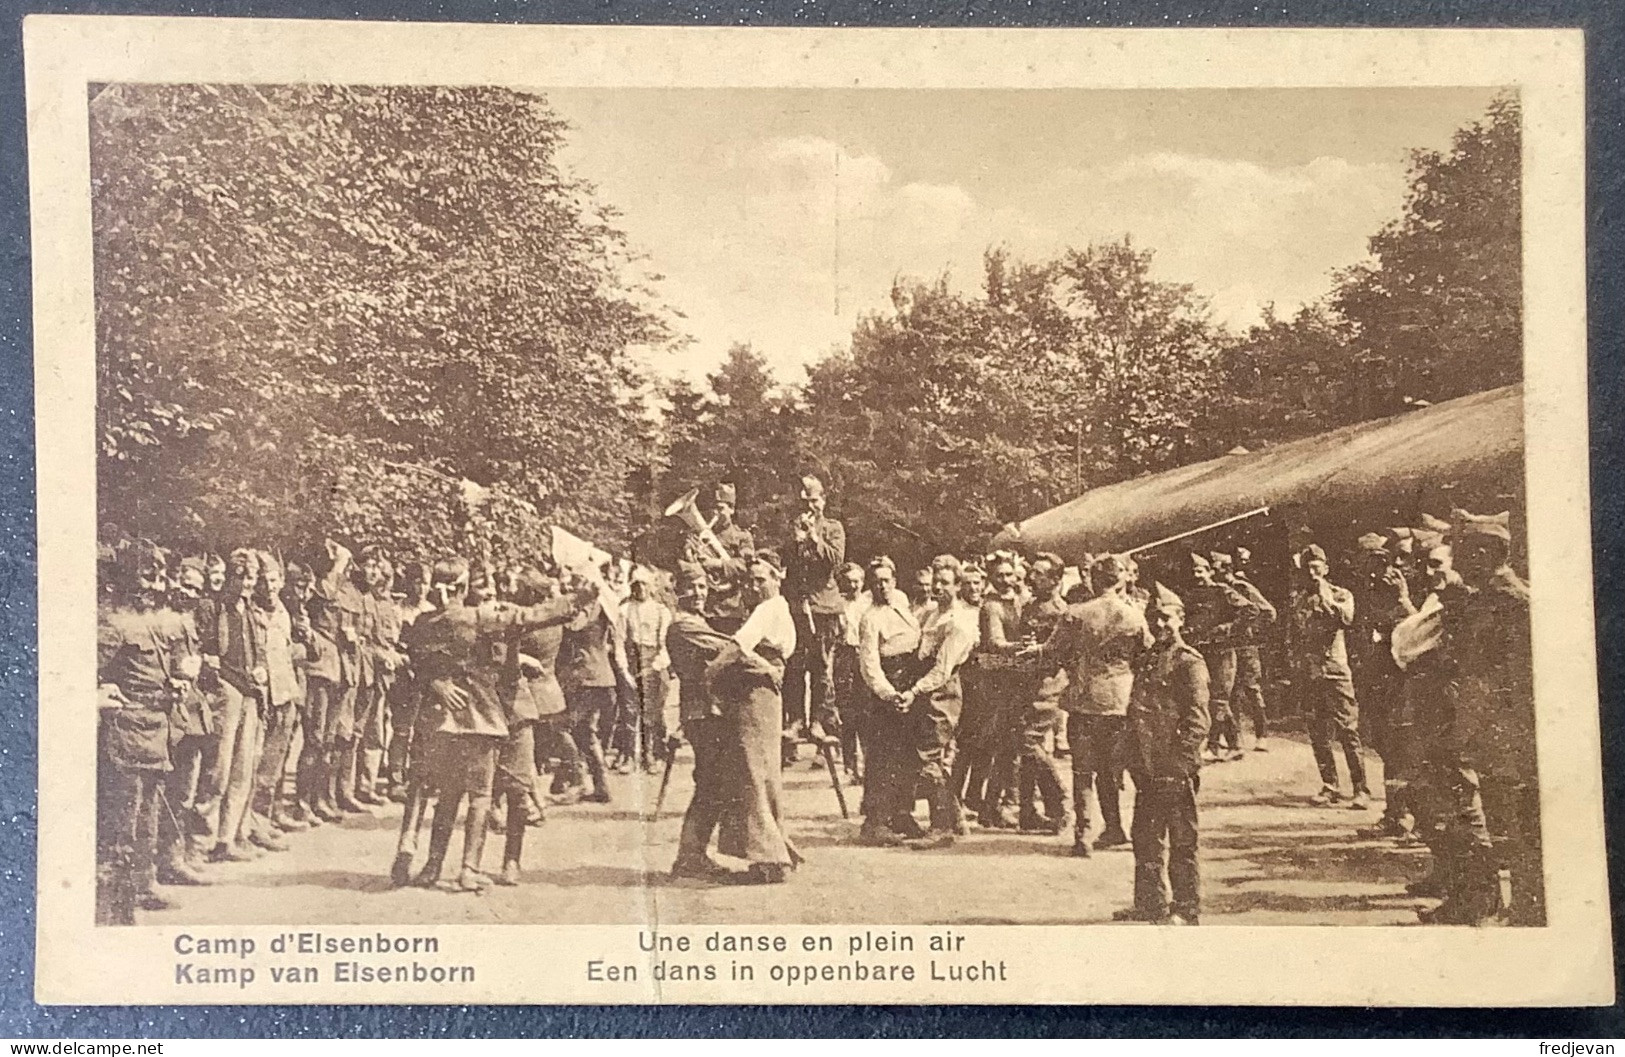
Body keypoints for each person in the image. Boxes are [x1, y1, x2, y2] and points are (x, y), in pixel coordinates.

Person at [400, 557, 594, 891]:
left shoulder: (462, 615)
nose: (490, 589)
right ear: (465, 588)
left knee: (516, 790)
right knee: (470, 793)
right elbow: (531, 617)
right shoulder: (484, 618)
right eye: (481, 583)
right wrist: (578, 599)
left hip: (513, 710)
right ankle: (456, 866)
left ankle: (510, 860)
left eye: (495, 582)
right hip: (481, 713)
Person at [97, 541, 201, 921]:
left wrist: (177, 683)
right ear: (125, 577)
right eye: (147, 575)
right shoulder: (112, 624)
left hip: (156, 734)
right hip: (125, 738)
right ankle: (118, 909)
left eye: (160, 576)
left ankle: (145, 884)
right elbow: (84, 678)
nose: (156, 586)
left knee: (149, 816)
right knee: (122, 824)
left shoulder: (156, 624)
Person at [1024, 553, 1151, 856]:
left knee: (1083, 770)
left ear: (1093, 579)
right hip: (1120, 699)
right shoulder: (1133, 614)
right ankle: (1115, 828)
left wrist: (1036, 651)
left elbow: (1051, 652)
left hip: (1084, 698)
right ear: (1119, 579)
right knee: (1110, 769)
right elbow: (1147, 652)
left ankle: (1083, 834)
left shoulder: (1076, 613)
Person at [1114, 583, 1211, 925]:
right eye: (1154, 618)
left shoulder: (1189, 662)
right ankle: (1150, 904)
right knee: (1145, 836)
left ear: (1181, 619)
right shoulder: (1148, 658)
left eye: (1166, 618)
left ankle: (1186, 908)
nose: (1159, 624)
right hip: (1147, 764)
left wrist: (1179, 764)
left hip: (1173, 767)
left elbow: (1198, 720)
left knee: (1182, 840)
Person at [707, 552, 803, 883]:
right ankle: (773, 853)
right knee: (761, 769)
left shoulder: (768, 608)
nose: (755, 585)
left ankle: (769, 860)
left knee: (753, 769)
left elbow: (738, 646)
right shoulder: (780, 608)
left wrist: (712, 669)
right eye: (751, 580)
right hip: (764, 692)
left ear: (778, 577)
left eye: (762, 578)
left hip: (756, 695)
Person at [880, 554, 980, 850]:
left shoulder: (959, 622)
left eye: (945, 582)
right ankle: (952, 819)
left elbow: (942, 669)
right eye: (935, 581)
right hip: (925, 691)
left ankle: (941, 827)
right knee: (921, 755)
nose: (938, 587)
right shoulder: (932, 614)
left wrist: (914, 691)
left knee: (930, 758)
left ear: (958, 585)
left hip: (942, 692)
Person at [665, 568, 739, 880]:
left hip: (708, 710)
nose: (698, 592)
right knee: (711, 783)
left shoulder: (698, 620)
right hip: (701, 712)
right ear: (678, 591)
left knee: (714, 783)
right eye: (690, 587)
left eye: (702, 586)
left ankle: (693, 853)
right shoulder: (684, 625)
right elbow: (725, 648)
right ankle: (689, 856)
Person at [199, 548, 271, 861]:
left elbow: (262, 652)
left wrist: (262, 670)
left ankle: (226, 839)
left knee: (243, 769)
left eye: (251, 578)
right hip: (226, 692)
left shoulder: (254, 611)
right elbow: (204, 650)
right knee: (219, 767)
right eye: (239, 577)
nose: (245, 584)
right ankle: (199, 841)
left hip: (251, 693)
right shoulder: (214, 609)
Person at [1350, 532, 1418, 839]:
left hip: (1400, 677)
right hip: (1376, 674)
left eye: (1377, 559)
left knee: (1400, 747)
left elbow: (1414, 625)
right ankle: (1394, 813)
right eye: (1366, 561)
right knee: (1384, 744)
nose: (1373, 568)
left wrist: (1401, 600)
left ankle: (1406, 817)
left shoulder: (1397, 583)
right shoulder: (1369, 589)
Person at [1293, 544, 1370, 809]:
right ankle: (1330, 785)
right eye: (1308, 569)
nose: (1312, 573)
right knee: (1319, 732)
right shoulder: (1299, 598)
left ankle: (1361, 788)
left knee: (1348, 730)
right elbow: (1297, 632)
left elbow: (1345, 619)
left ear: (1326, 569)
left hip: (1336, 671)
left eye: (1317, 568)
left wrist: (1324, 595)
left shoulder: (1341, 594)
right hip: (1311, 673)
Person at [854, 556, 923, 845]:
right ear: (871, 585)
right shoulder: (870, 618)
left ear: (895, 580)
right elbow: (869, 664)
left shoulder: (903, 603)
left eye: (887, 580)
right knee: (883, 757)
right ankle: (875, 821)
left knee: (908, 754)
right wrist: (888, 693)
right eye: (877, 581)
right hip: (888, 689)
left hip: (910, 682)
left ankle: (903, 813)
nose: (883, 586)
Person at [962, 551, 1030, 829]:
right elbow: (995, 642)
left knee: (1008, 746)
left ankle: (997, 804)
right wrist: (1023, 646)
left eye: (1009, 575)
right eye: (999, 575)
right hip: (997, 681)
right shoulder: (991, 606)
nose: (1005, 580)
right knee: (998, 744)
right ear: (991, 577)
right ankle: (990, 806)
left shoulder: (1019, 600)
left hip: (1016, 677)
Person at [781, 474, 847, 756]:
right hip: (799, 606)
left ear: (824, 500)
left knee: (821, 668)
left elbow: (835, 561)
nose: (810, 506)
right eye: (805, 502)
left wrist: (814, 537)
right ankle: (796, 719)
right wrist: (796, 543)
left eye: (815, 500)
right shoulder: (794, 527)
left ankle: (819, 721)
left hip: (823, 608)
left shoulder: (833, 528)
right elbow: (787, 565)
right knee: (795, 667)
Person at [248, 552, 304, 840]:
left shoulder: (285, 609)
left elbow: (292, 647)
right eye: (263, 581)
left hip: (285, 695)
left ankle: (268, 817)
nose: (268, 586)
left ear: (281, 581)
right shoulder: (251, 610)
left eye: (273, 580)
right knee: (257, 763)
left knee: (276, 763)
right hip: (263, 699)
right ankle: (253, 824)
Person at [556, 571, 620, 804]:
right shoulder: (603, 605)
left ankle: (579, 779)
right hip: (599, 676)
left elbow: (574, 626)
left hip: (587, 677)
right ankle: (602, 785)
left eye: (576, 581)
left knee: (559, 726)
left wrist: (563, 602)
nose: (571, 585)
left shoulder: (590, 605)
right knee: (586, 732)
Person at [353, 546, 405, 806]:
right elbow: (360, 641)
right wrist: (381, 655)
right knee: (355, 731)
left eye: (377, 566)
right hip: (362, 672)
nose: (373, 571)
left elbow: (389, 640)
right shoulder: (357, 598)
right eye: (369, 565)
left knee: (376, 731)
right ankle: (347, 789)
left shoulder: (387, 603)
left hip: (382, 676)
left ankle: (366, 785)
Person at [1213, 550, 1277, 753]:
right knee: (1229, 691)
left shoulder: (1241, 587)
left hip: (1246, 645)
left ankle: (1262, 734)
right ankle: (1236, 738)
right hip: (1228, 645)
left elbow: (1268, 612)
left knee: (1251, 688)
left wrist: (1250, 630)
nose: (1213, 571)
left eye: (1215, 567)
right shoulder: (1218, 590)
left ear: (1225, 569)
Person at [621, 568, 673, 772]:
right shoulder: (624, 610)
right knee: (630, 710)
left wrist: (655, 666)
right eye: (636, 584)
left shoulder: (661, 611)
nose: (640, 588)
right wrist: (624, 670)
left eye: (644, 584)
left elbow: (666, 645)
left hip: (655, 662)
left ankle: (651, 754)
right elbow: (619, 642)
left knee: (652, 712)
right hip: (633, 660)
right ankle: (628, 756)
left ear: (651, 587)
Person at [834, 561, 869, 781]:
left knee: (866, 711)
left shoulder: (868, 602)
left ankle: (867, 766)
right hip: (844, 656)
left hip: (865, 655)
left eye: (857, 581)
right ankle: (849, 767)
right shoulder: (838, 603)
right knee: (847, 713)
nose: (853, 585)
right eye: (849, 581)